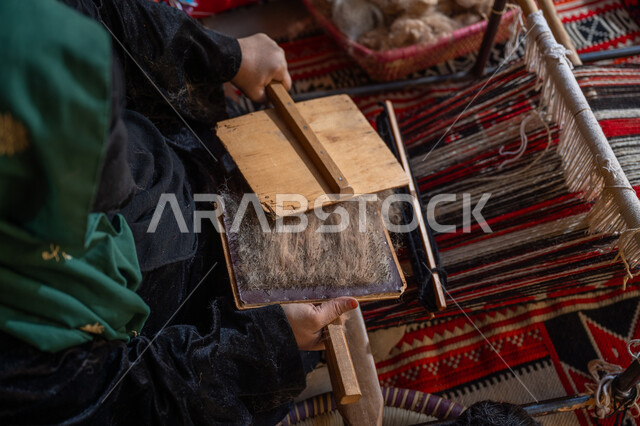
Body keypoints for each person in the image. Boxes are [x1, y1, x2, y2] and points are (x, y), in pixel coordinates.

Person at [0, 1, 356, 424]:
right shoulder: (19, 366)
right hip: (179, 320)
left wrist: (228, 56)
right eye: (82, 192)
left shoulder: (27, 31)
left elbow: (109, 18)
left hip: (178, 163)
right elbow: (132, 402)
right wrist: (268, 342)